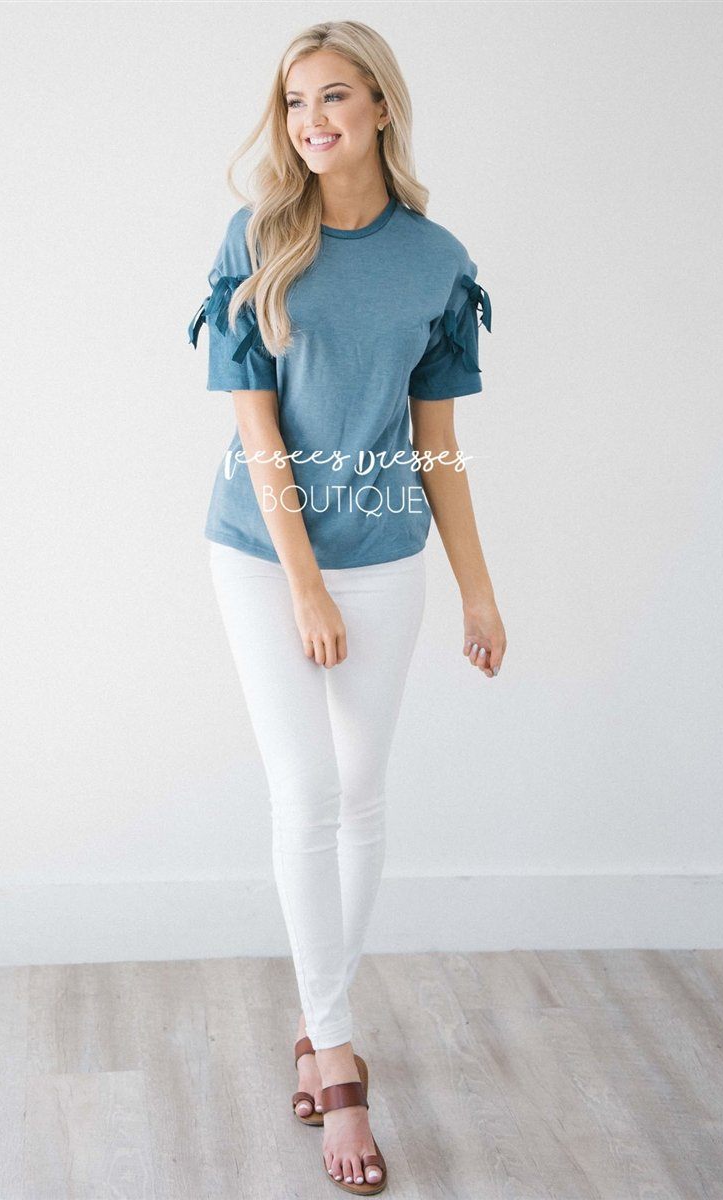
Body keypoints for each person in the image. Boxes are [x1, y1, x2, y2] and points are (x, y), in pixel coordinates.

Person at [188, 19, 506, 1195]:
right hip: (262, 555)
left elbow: (437, 445)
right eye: (292, 102)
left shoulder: (435, 260)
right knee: (306, 791)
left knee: (362, 795)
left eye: (331, 96)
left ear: (377, 104)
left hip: (385, 556)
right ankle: (336, 1059)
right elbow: (253, 425)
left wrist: (478, 588)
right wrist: (305, 583)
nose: (310, 121)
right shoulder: (259, 237)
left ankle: (318, 1018)